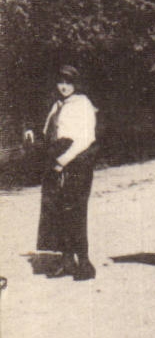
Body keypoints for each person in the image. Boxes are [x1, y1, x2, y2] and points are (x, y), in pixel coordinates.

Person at [24, 65, 98, 280]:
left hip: (77, 164)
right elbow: (49, 132)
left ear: (76, 84)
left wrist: (62, 161)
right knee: (58, 212)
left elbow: (87, 138)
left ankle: (84, 263)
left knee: (75, 211)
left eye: (68, 82)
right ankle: (67, 261)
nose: (64, 87)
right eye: (60, 82)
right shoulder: (57, 105)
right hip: (57, 162)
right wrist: (34, 135)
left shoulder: (83, 104)